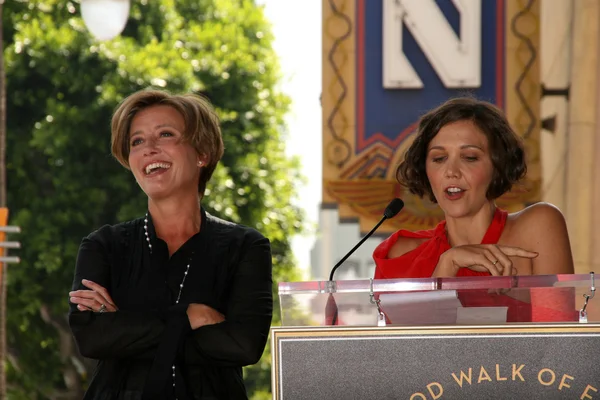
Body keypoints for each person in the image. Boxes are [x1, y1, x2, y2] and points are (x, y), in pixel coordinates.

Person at [68, 89, 273, 400]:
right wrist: (189, 317)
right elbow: (93, 338)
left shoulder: (246, 246)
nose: (149, 148)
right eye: (137, 141)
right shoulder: (103, 246)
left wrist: (126, 325)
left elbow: (243, 345)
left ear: (202, 153)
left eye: (165, 134)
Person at [373, 97, 575, 321]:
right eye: (439, 158)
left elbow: (560, 346)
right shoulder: (400, 254)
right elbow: (405, 354)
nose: (451, 171)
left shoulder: (538, 225)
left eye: (469, 157)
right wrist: (447, 267)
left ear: (497, 166)